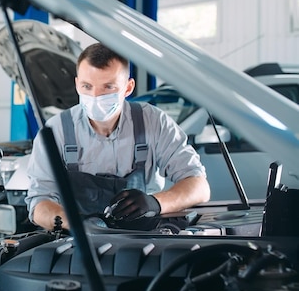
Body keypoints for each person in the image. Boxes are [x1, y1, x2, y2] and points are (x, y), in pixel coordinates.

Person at [25, 42, 210, 231]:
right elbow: (39, 202)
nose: (95, 96)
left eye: (108, 87)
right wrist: (77, 224)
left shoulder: (153, 122)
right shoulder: (56, 131)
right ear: (76, 84)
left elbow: (199, 186)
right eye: (87, 86)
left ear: (128, 88)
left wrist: (155, 203)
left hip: (146, 238)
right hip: (78, 242)